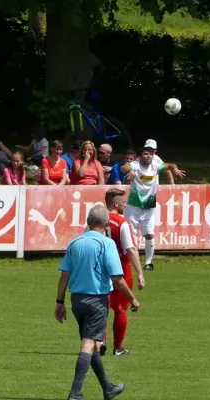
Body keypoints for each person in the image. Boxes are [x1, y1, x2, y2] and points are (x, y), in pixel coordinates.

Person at [55, 205, 140, 400]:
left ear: (88, 222)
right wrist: (132, 298)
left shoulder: (74, 242)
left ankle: (108, 389)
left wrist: (59, 302)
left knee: (93, 345)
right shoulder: (107, 244)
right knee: (88, 344)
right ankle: (75, 393)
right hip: (96, 301)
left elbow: (64, 275)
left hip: (77, 301)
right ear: (104, 223)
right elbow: (117, 278)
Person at [120, 147, 185, 271]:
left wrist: (175, 169)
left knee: (149, 235)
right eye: (145, 154)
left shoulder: (155, 166)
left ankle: (148, 263)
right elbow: (123, 167)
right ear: (141, 156)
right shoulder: (135, 165)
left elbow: (170, 165)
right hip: (133, 205)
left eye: (150, 154)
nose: (148, 156)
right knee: (130, 235)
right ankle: (128, 261)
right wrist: (131, 171)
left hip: (148, 206)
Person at [100, 189, 145, 357]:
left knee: (101, 307)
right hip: (120, 270)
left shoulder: (97, 221)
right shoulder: (122, 223)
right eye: (124, 202)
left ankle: (101, 339)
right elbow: (131, 249)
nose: (125, 205)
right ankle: (118, 348)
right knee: (120, 309)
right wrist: (140, 272)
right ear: (116, 203)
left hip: (100, 270)